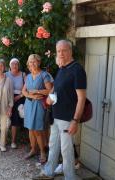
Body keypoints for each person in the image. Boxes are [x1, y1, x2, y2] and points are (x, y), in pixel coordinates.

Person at [33, 40, 87, 180]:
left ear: (70, 51)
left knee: (66, 149)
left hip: (68, 117)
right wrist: (50, 97)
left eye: (64, 50)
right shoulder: (62, 68)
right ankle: (49, 170)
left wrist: (75, 121)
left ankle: (70, 177)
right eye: (58, 51)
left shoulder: (77, 70)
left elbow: (81, 98)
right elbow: (57, 89)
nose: (61, 53)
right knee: (53, 145)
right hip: (56, 115)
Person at [22, 54, 53, 164]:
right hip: (29, 104)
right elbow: (24, 91)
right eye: (30, 62)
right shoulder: (28, 76)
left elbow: (50, 90)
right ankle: (33, 149)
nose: (32, 64)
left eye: (34, 61)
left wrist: (37, 91)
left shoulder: (44, 75)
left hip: (39, 105)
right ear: (28, 64)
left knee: (37, 129)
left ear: (39, 62)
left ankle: (43, 152)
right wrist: (31, 96)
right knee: (30, 129)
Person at [6, 58, 26, 149]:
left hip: (19, 98)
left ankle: (13, 141)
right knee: (5, 118)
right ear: (10, 65)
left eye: (16, 64)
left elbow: (27, 88)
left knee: (15, 119)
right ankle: (4, 139)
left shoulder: (23, 75)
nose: (14, 65)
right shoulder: (6, 74)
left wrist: (19, 96)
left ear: (18, 65)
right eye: (13, 64)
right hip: (7, 98)